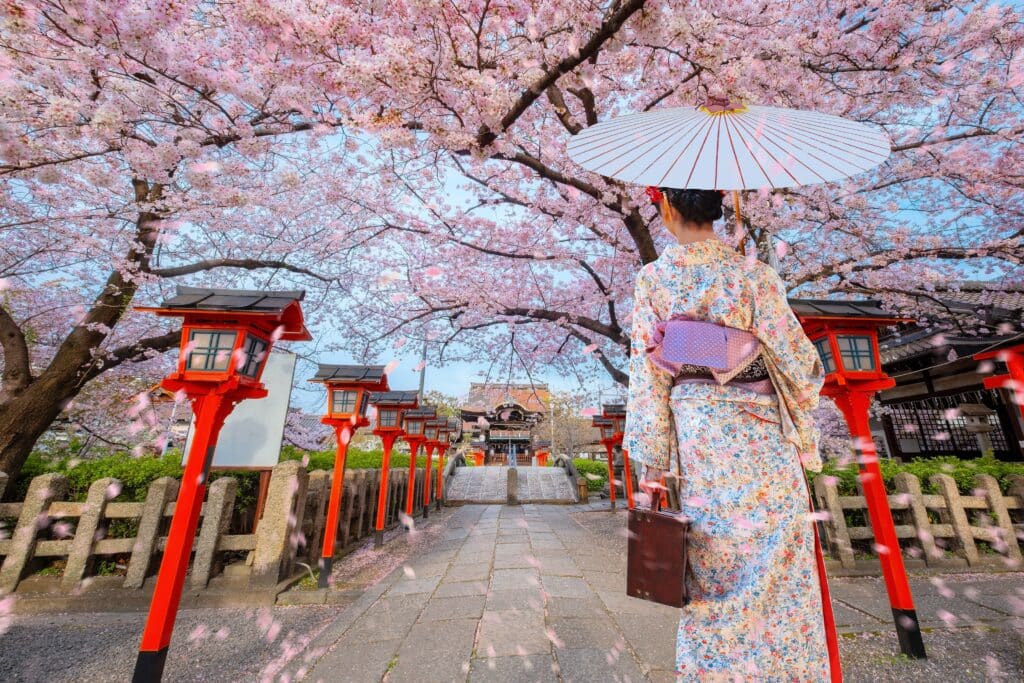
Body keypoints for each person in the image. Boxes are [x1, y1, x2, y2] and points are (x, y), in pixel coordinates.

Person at [622, 187, 840, 682]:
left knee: (713, 568)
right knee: (777, 568)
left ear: (667, 208)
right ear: (717, 210)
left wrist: (653, 463)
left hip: (703, 440)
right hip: (762, 437)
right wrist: (742, 353)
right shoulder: (754, 274)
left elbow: (647, 372)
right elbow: (801, 363)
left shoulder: (654, 278)